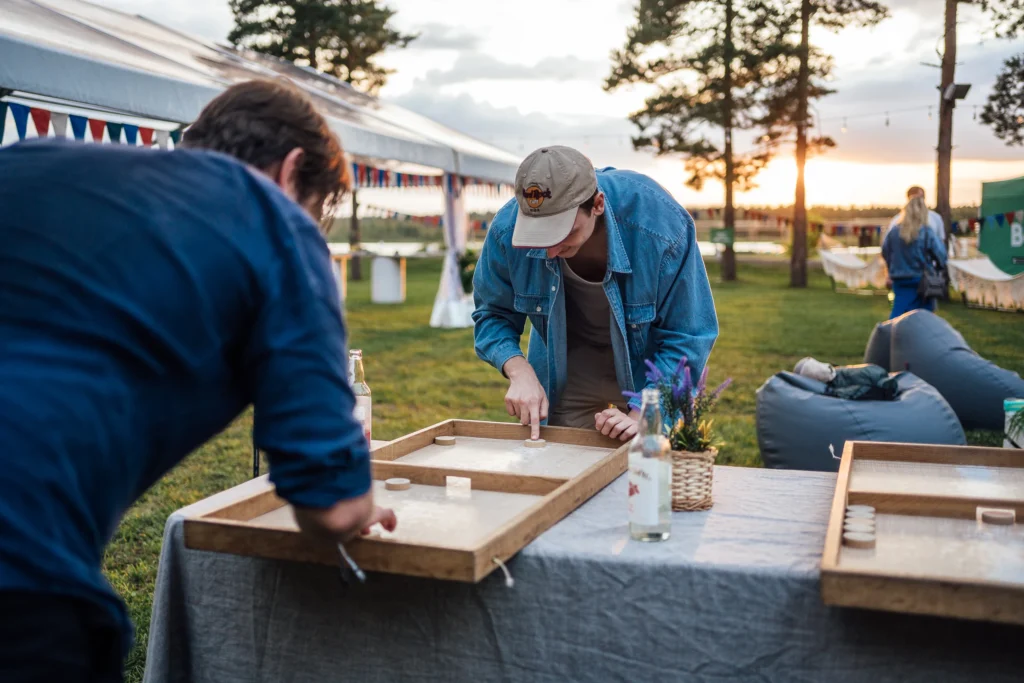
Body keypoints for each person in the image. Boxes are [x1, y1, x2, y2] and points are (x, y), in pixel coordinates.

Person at [0, 80, 396, 683]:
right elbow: (332, 507)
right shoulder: (276, 221)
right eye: (313, 211)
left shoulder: (23, 160)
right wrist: (357, 496)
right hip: (19, 574)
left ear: (191, 143)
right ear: (292, 173)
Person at [472, 146, 719, 443]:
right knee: (563, 469)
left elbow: (688, 335)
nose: (550, 250)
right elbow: (492, 314)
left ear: (597, 204)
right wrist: (519, 370)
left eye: (562, 232)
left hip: (650, 367)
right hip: (570, 368)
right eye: (539, 234)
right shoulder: (506, 231)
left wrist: (644, 413)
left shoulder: (662, 227)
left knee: (650, 473)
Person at [882, 194, 948, 319]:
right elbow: (941, 256)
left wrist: (892, 267)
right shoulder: (927, 232)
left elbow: (885, 251)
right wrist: (938, 268)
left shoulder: (894, 231)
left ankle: (894, 336)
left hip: (900, 279)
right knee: (925, 317)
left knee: (898, 314)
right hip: (923, 281)